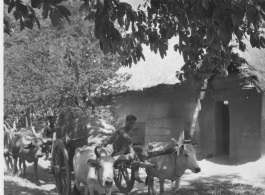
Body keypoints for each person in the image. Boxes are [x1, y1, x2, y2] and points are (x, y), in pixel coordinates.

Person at [105, 114, 144, 183]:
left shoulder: (131, 132)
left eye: (133, 123)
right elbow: (112, 140)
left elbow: (129, 143)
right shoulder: (121, 130)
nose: (132, 125)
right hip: (116, 150)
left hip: (125, 150)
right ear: (126, 122)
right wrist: (105, 146)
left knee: (140, 149)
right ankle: (133, 157)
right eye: (130, 123)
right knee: (125, 137)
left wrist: (137, 143)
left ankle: (136, 173)